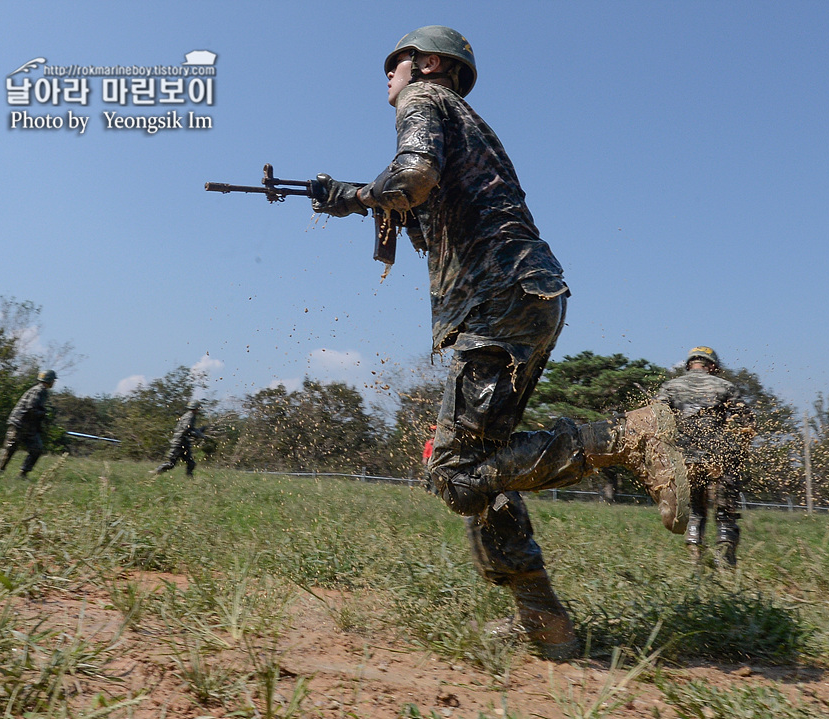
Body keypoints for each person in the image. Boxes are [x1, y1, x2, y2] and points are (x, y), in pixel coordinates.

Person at [309, 26, 688, 660]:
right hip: (524, 293)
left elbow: (414, 173)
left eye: (395, 63)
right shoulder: (470, 124)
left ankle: (625, 438)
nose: (388, 76)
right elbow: (426, 197)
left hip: (497, 299)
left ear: (429, 64)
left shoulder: (422, 103)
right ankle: (542, 618)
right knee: (485, 465)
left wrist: (364, 195)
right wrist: (352, 198)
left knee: (456, 474)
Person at [655, 347, 754, 567]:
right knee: (726, 511)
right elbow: (745, 420)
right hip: (723, 457)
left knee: (695, 511)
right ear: (712, 366)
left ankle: (694, 560)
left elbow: (657, 420)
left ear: (690, 365)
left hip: (686, 458)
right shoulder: (726, 386)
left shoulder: (671, 387)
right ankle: (725, 560)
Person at [0, 369, 56, 478]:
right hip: (19, 423)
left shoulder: (42, 391)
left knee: (36, 449)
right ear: (49, 380)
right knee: (11, 447)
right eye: (53, 380)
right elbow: (30, 408)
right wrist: (43, 414)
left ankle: (23, 473)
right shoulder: (38, 391)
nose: (54, 383)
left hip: (28, 426)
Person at [152, 400, 207, 477]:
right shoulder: (189, 416)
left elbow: (190, 429)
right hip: (179, 443)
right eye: (198, 408)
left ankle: (189, 479)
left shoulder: (191, 416)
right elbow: (186, 430)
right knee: (171, 463)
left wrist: (201, 431)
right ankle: (155, 473)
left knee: (191, 463)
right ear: (195, 408)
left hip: (184, 444)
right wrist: (199, 435)